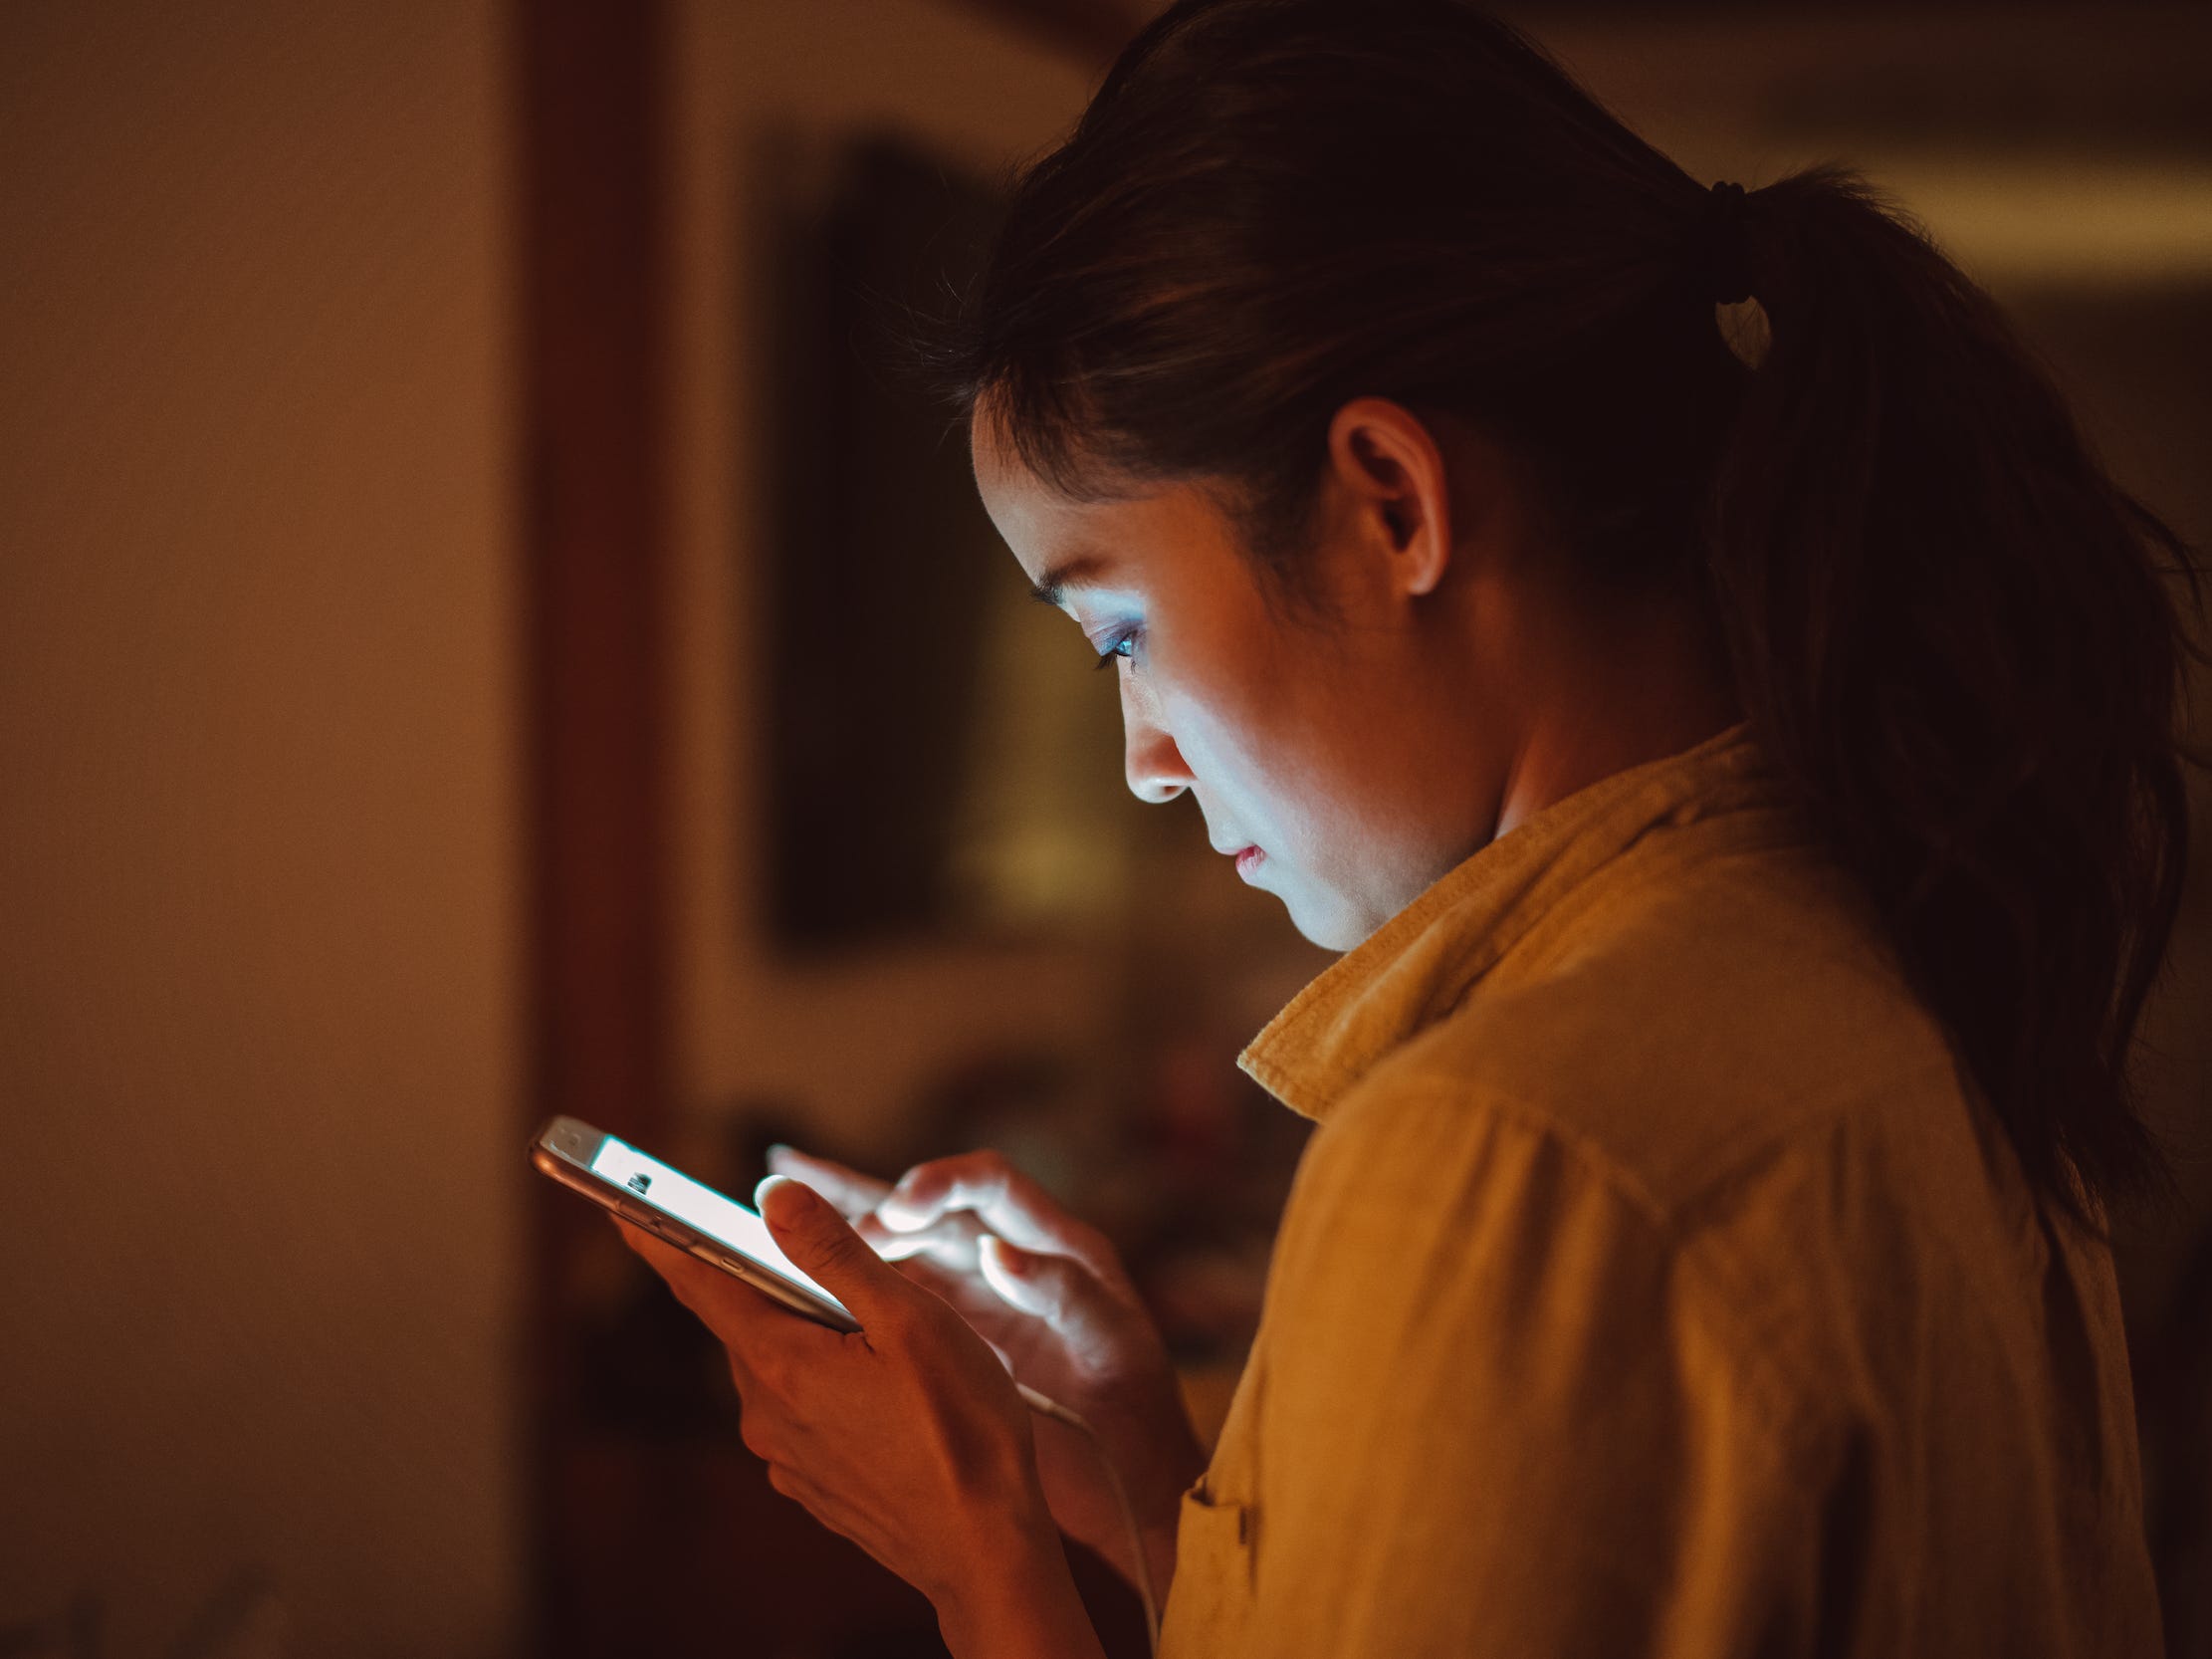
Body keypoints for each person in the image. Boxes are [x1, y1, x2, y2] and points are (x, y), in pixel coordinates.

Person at [614, 1, 2206, 1653]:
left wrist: (979, 1561)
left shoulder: (1508, 1145)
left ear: (1391, 502)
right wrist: (1138, 1453)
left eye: (1119, 633)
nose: (1144, 761)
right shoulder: (1900, 940)